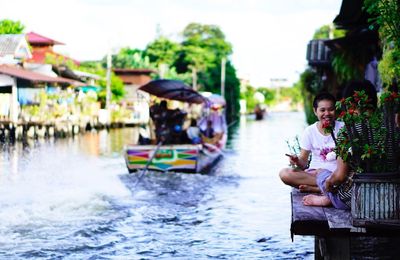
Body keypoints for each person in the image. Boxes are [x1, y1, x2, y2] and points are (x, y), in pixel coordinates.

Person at [302, 80, 379, 209]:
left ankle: (327, 198)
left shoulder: (348, 131)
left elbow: (340, 176)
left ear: (349, 105)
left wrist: (327, 184)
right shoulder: (389, 127)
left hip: (353, 199)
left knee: (323, 175)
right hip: (387, 193)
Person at [279, 92, 344, 193]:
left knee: (342, 177)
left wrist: (336, 177)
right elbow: (303, 163)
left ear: (335, 110)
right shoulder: (310, 131)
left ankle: (320, 188)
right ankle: (327, 187)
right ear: (315, 111)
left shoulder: (343, 128)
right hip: (314, 175)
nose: (327, 113)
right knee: (284, 174)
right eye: (322, 110)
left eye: (331, 109)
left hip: (336, 175)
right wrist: (296, 161)